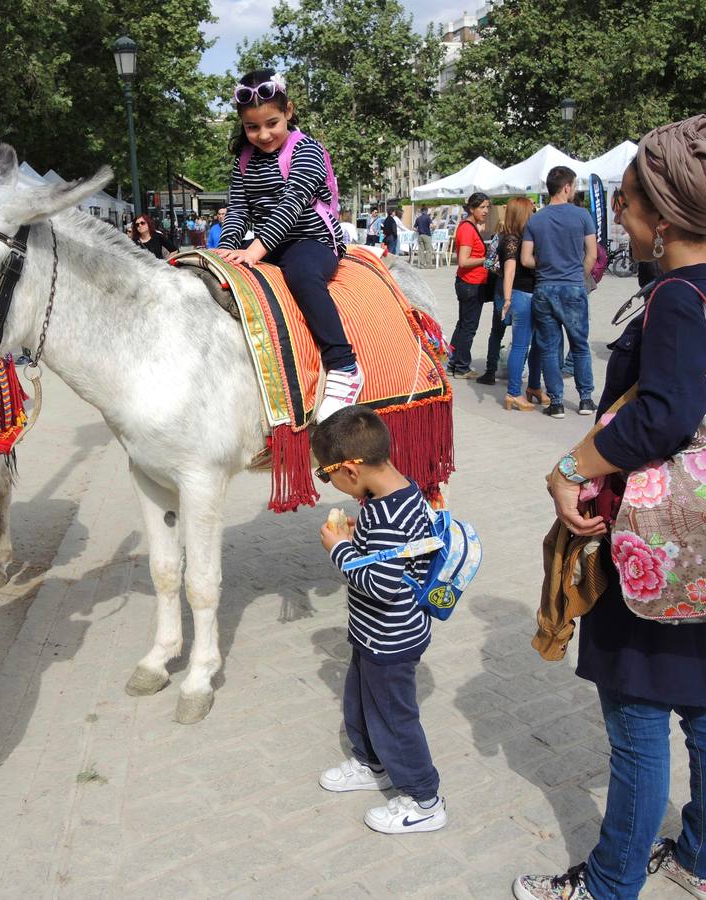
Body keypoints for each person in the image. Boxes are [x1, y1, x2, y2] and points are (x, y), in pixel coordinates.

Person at [513, 115, 706, 900]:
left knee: (638, 720)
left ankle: (611, 883)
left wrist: (567, 468)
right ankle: (702, 862)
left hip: (658, 544)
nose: (615, 220)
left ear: (660, 219)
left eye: (622, 205)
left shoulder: (676, 301)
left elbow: (665, 413)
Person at [314, 405, 446, 835]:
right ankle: (372, 763)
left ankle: (424, 798)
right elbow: (390, 554)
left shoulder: (386, 513)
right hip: (373, 634)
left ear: (350, 471)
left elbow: (381, 583)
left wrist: (340, 549)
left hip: (391, 638)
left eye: (325, 475)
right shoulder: (398, 493)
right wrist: (360, 536)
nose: (327, 483)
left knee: (393, 717)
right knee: (359, 700)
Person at [214, 68, 362, 422]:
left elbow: (293, 201)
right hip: (270, 242)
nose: (263, 134)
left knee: (302, 274)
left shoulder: (307, 149)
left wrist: (254, 250)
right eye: (252, 127)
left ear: (289, 112)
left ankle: (344, 365)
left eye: (272, 123)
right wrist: (227, 248)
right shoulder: (244, 162)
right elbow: (237, 208)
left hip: (312, 239)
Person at [522, 166, 597, 419]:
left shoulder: (535, 219)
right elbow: (592, 255)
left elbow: (526, 259)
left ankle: (556, 403)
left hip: (544, 288)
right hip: (573, 287)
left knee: (549, 348)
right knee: (580, 345)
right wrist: (578, 274)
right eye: (574, 186)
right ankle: (586, 399)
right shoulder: (582, 215)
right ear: (567, 187)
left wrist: (547, 264)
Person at [492, 198, 543, 410]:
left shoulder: (519, 237)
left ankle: (533, 387)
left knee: (535, 345)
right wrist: (508, 299)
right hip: (521, 295)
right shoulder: (512, 239)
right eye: (530, 211)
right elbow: (509, 270)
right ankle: (513, 392)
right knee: (521, 345)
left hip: (528, 294)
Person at [447, 192, 491, 379]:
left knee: (463, 324)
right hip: (470, 283)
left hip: (470, 283)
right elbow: (463, 261)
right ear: (472, 209)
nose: (486, 211)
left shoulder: (471, 227)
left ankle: (454, 362)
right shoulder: (467, 229)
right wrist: (486, 258)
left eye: (487, 207)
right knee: (469, 326)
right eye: (482, 207)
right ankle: (462, 367)